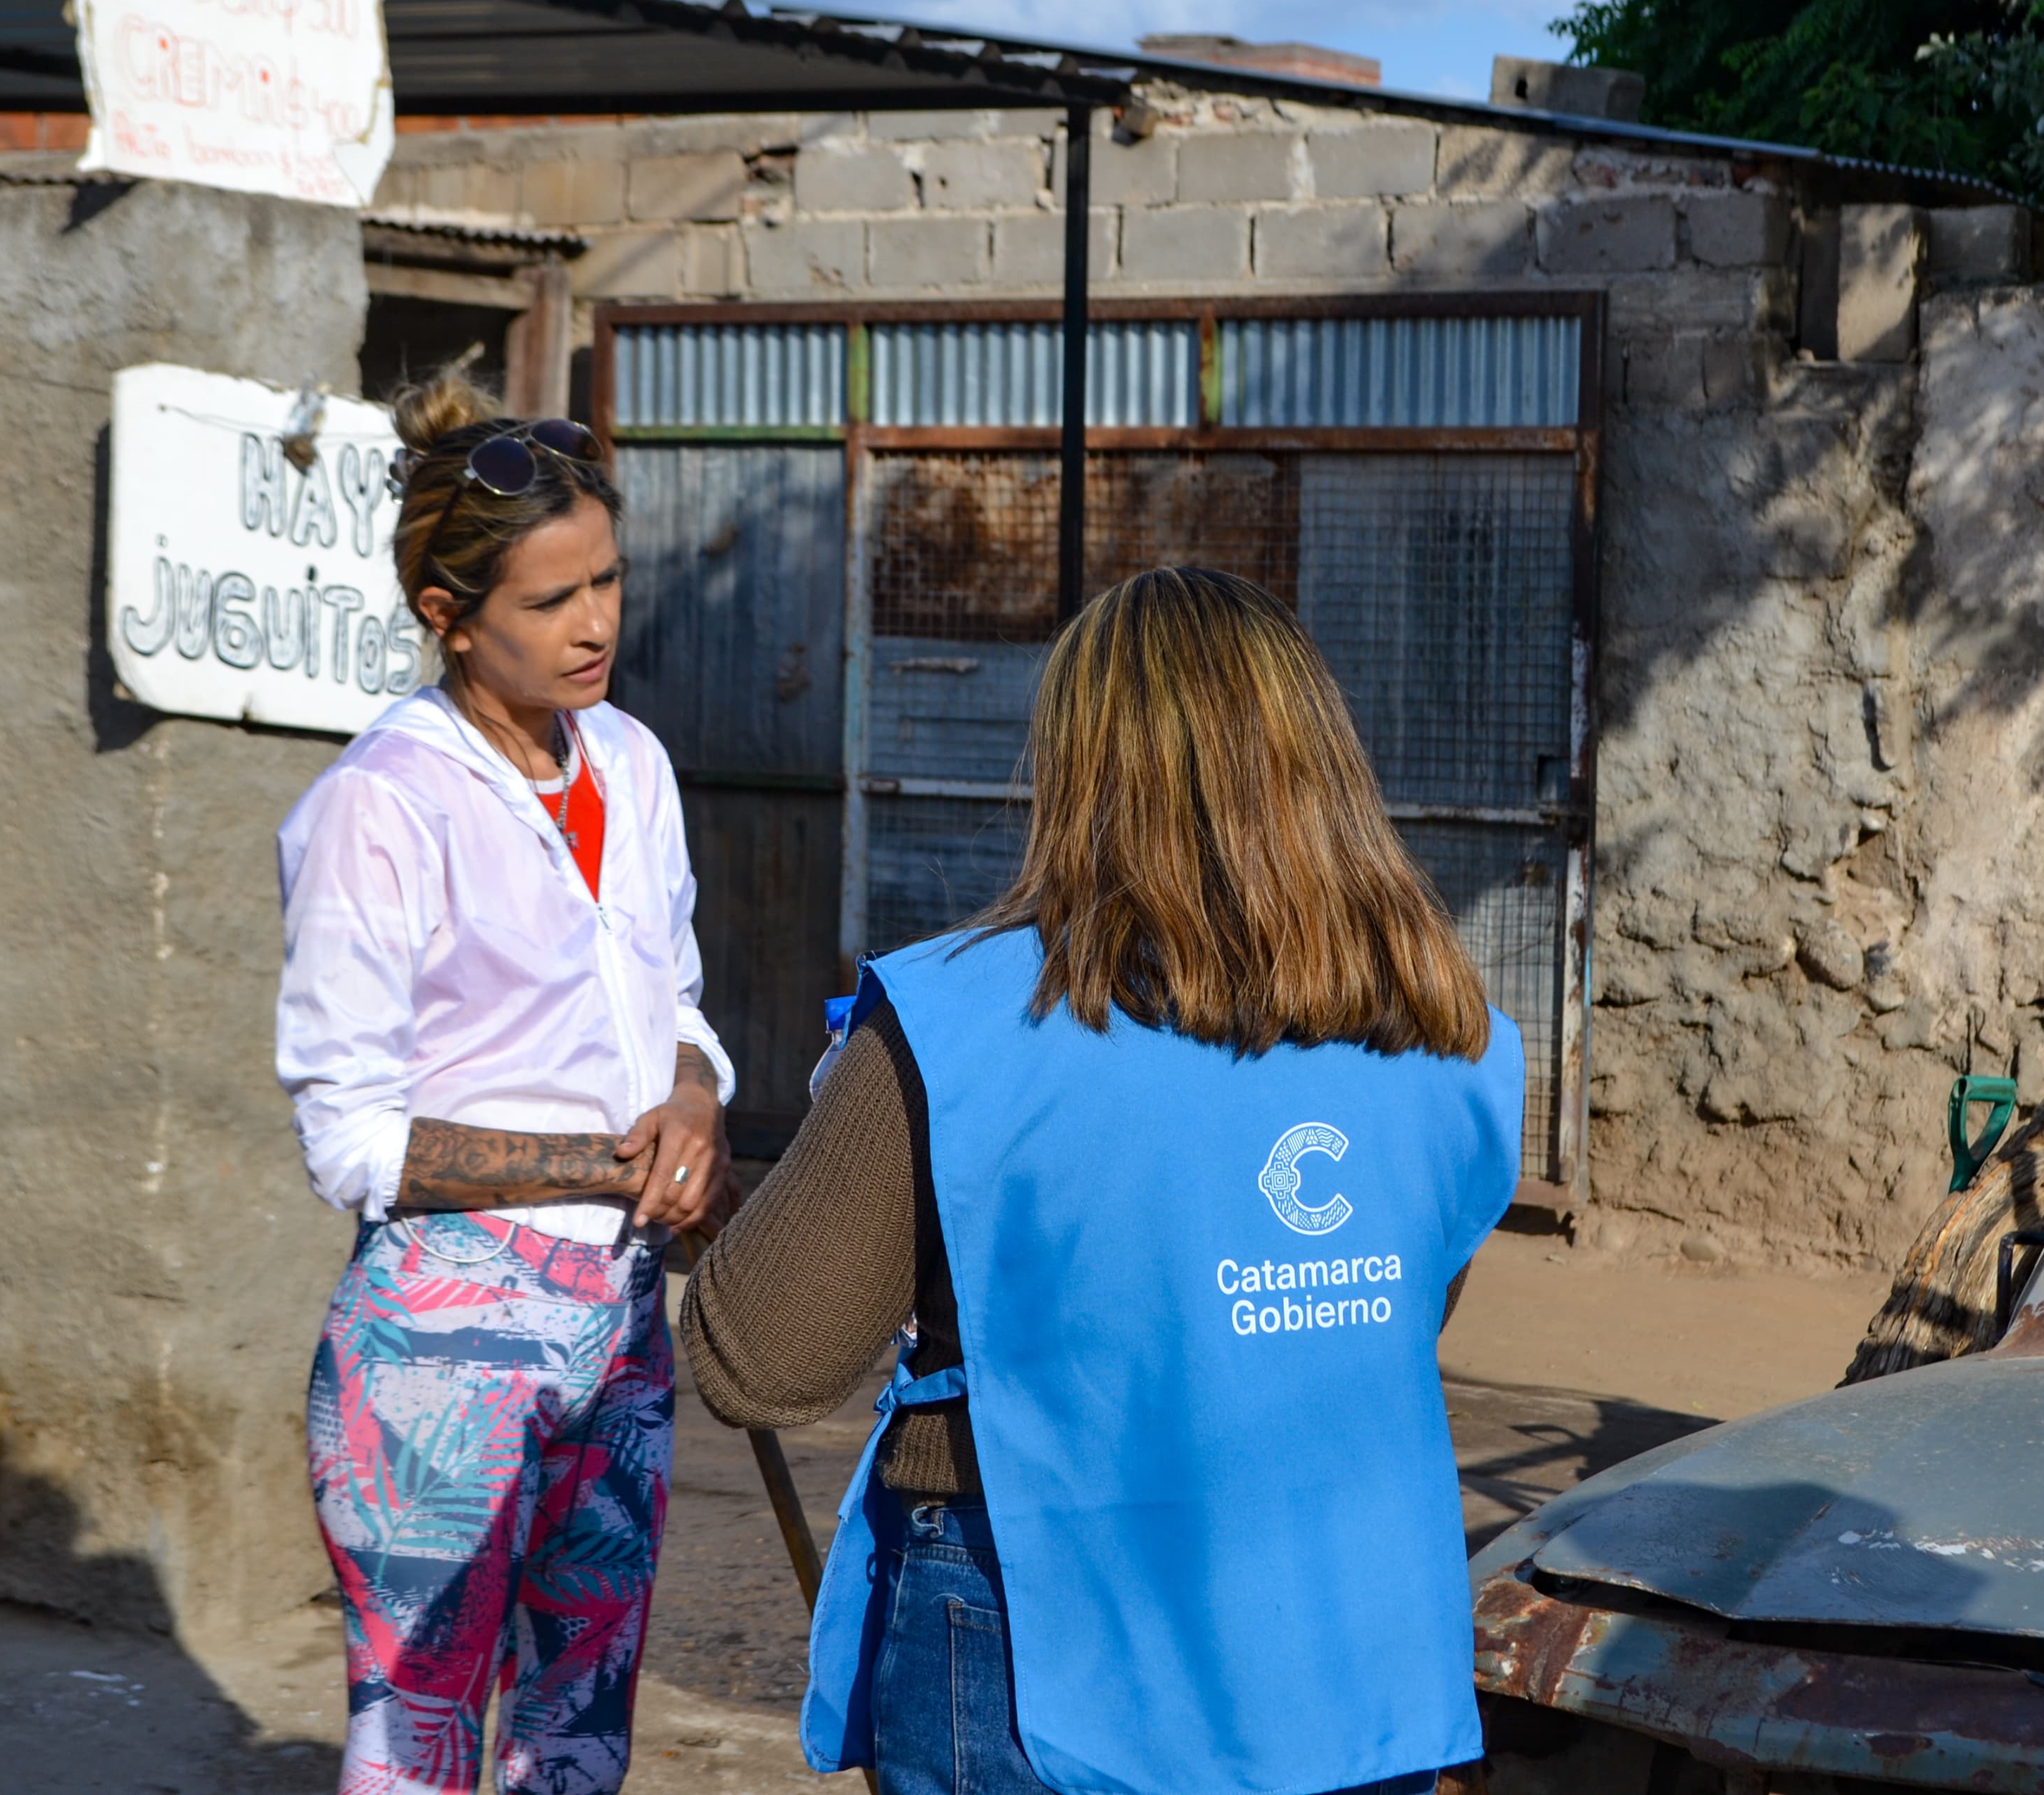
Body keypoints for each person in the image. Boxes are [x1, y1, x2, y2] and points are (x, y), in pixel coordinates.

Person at [681, 566, 1522, 1795]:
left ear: (1076, 771)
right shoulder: (1454, 1039)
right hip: (1353, 1664)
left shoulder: (959, 1019)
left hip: (1039, 1643)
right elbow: (1399, 1306)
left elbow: (758, 1356)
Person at [275, 370, 736, 1795]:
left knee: (581, 1729)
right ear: (449, 615)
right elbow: (350, 1138)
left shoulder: (636, 766)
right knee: (420, 1744)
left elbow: (677, 1007)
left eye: (605, 579)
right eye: (551, 601)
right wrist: (601, 1167)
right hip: (435, 1349)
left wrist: (696, 1101)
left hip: (622, 1324)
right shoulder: (381, 804)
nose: (595, 622)